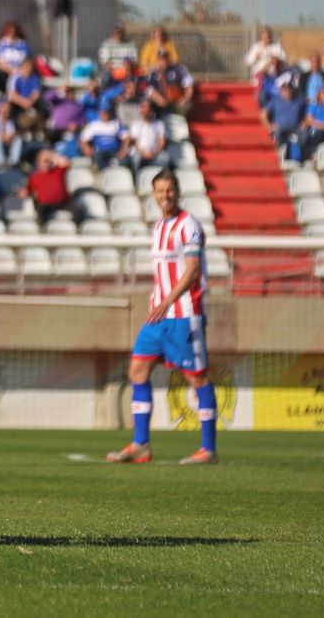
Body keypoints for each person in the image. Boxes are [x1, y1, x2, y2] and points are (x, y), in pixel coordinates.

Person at [108, 170, 219, 466]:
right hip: (158, 314)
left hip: (183, 313)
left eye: (170, 190)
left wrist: (169, 301)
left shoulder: (188, 225)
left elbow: (192, 269)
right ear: (153, 194)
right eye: (160, 191)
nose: (165, 195)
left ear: (178, 192)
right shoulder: (158, 226)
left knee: (196, 378)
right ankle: (140, 445)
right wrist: (160, 301)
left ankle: (208, 449)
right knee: (137, 370)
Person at [26, 149, 84, 225]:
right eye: (44, 160)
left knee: (78, 209)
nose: (46, 163)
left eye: (48, 160)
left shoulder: (59, 170)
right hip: (45, 206)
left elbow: (67, 163)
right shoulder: (34, 177)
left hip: (64, 203)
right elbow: (28, 191)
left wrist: (53, 157)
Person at [79, 105, 129, 170]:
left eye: (105, 112)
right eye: (101, 113)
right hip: (99, 152)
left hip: (115, 152)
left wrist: (123, 150)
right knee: (97, 160)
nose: (103, 115)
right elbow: (82, 140)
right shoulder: (93, 125)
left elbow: (126, 138)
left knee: (124, 161)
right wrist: (88, 150)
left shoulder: (116, 123)